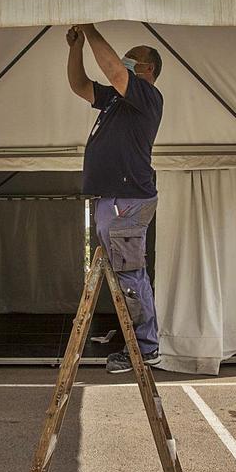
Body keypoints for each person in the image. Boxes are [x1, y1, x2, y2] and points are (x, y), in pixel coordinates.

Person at [66, 24, 164, 374]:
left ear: (146, 69)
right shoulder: (115, 101)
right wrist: (76, 46)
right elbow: (79, 85)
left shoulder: (147, 97)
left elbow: (113, 70)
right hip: (114, 198)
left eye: (131, 58)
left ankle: (146, 347)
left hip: (127, 199)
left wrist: (90, 29)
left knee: (131, 274)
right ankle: (134, 337)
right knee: (123, 273)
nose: (122, 60)